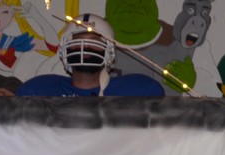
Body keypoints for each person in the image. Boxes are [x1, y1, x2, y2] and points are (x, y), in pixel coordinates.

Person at [14, 15, 163, 97]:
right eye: (78, 41)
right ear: (65, 50)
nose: (85, 48)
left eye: (94, 41)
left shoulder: (139, 89)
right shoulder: (38, 90)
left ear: (109, 51)